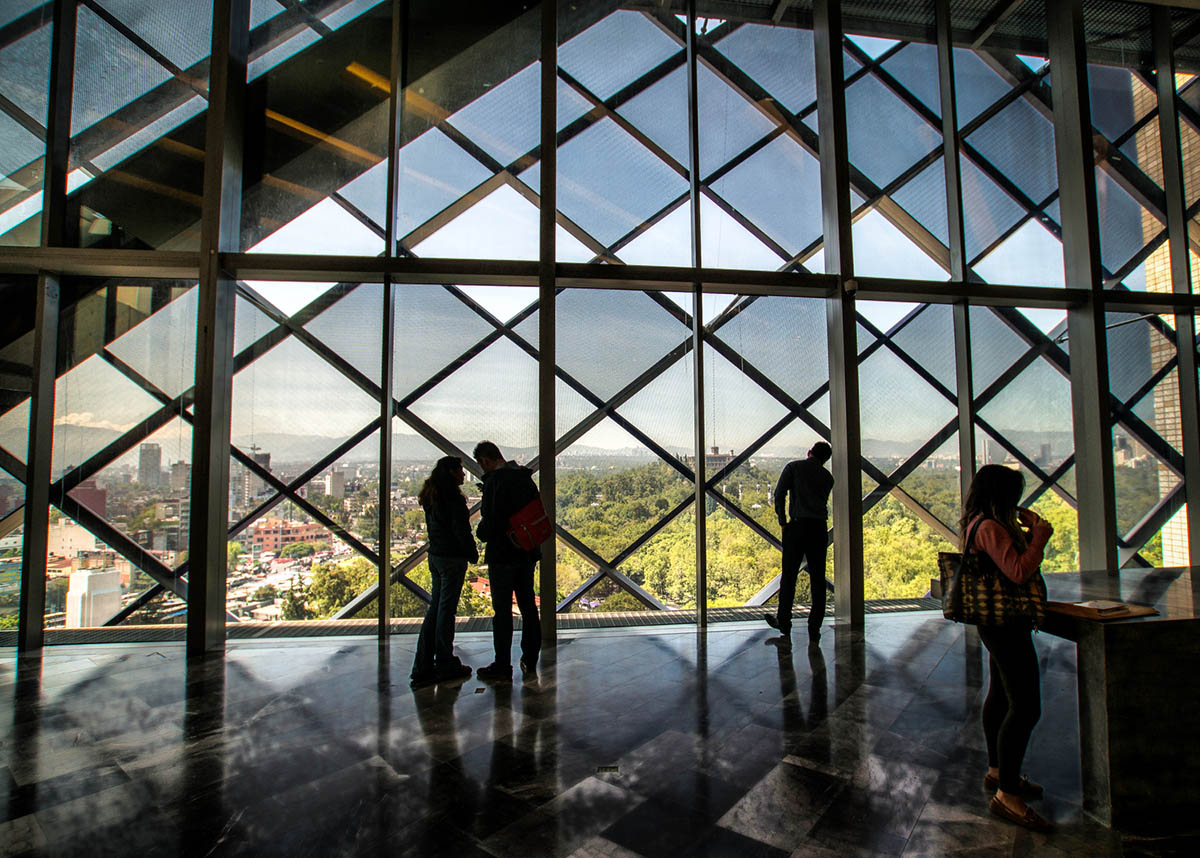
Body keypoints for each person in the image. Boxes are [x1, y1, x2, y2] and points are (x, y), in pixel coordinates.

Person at [960, 464, 1054, 833]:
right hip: (1007, 626)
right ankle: (1008, 793)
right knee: (1026, 705)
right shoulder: (991, 528)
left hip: (994, 623)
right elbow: (1018, 571)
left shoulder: (975, 524)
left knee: (1000, 696)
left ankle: (1000, 770)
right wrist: (1039, 537)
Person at [473, 441, 542, 680]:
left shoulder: (495, 482)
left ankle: (502, 664)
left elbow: (492, 521)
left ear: (485, 461)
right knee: (528, 607)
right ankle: (530, 658)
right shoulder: (524, 477)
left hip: (502, 555)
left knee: (502, 611)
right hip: (526, 552)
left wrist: (481, 533)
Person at [410, 456, 477, 688]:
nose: (463, 474)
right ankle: (445, 662)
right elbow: (462, 531)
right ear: (451, 472)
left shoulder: (432, 496)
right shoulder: (453, 500)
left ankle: (423, 665)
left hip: (436, 556)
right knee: (446, 612)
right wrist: (472, 553)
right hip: (452, 559)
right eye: (460, 470)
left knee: (436, 610)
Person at [766, 441, 834, 643]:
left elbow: (779, 494)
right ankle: (815, 626)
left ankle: (784, 622)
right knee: (818, 578)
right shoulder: (828, 478)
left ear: (809, 452)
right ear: (825, 459)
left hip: (796, 526)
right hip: (819, 528)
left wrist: (782, 522)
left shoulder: (794, 467)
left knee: (789, 576)